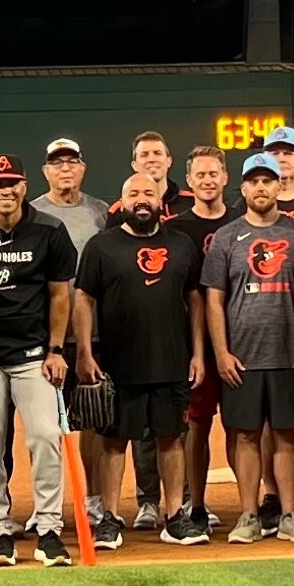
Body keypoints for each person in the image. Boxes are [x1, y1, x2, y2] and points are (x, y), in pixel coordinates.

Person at [74, 173, 207, 546]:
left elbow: (195, 300)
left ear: (161, 197)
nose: (141, 199)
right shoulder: (102, 247)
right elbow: (83, 299)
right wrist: (84, 352)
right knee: (114, 441)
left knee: (171, 439)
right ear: (123, 202)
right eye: (133, 193)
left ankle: (174, 516)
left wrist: (197, 353)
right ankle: (111, 518)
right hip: (118, 364)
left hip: (171, 361)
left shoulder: (181, 245)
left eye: (148, 192)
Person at [0, 155, 77, 565]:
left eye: (12, 183)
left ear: (24, 187)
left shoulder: (49, 229)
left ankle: (47, 529)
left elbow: (61, 293)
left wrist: (56, 349)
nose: (4, 190)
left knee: (44, 436)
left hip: (32, 355)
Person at [204, 150, 294, 544]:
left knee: (286, 435)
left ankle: (290, 515)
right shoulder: (226, 237)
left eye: (268, 180)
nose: (261, 187)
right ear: (244, 187)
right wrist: (221, 352)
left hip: (287, 354)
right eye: (253, 181)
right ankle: (249, 515)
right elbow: (214, 300)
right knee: (246, 436)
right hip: (242, 357)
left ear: (278, 186)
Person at [170, 145, 236, 526]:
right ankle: (195, 505)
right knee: (197, 423)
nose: (208, 180)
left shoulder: (242, 223)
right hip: (196, 345)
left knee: (241, 424)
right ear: (190, 180)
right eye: (201, 175)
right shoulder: (176, 230)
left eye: (215, 173)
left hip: (240, 340)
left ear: (224, 178)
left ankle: (254, 505)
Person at [33, 138, 107, 253]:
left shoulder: (101, 210)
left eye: (72, 162)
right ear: (46, 172)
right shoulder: (31, 212)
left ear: (82, 169)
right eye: (57, 163)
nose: (66, 168)